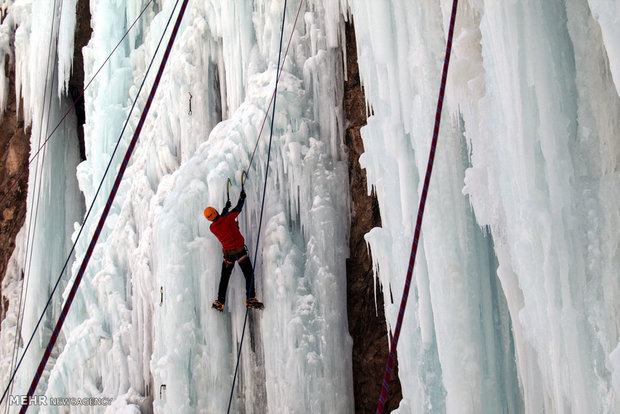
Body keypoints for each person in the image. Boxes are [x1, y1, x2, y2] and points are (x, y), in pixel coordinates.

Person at [204, 190, 263, 312]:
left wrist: (225, 208)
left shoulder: (212, 228)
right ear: (215, 211)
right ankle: (251, 298)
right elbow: (238, 209)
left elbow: (220, 218)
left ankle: (220, 302)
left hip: (228, 256)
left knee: (224, 278)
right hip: (240, 253)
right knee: (248, 274)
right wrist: (242, 198)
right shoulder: (229, 218)